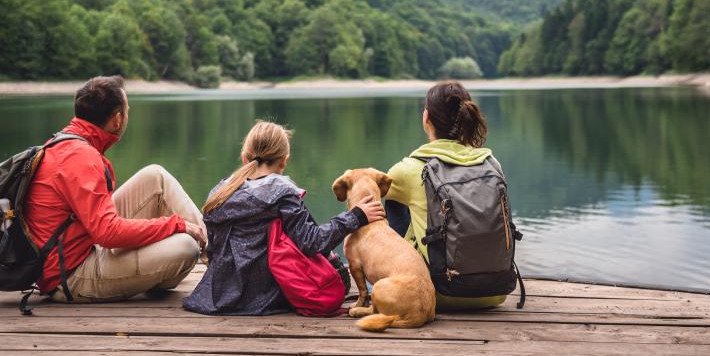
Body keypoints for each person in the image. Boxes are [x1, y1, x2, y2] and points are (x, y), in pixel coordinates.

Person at [25, 75, 207, 302]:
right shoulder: (82, 157)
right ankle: (217, 258)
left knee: (155, 176)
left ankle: (216, 252)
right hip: (70, 275)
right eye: (128, 110)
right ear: (117, 119)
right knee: (185, 247)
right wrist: (175, 225)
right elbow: (108, 233)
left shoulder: (66, 142)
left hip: (81, 244)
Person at [183, 121, 385, 315]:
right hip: (265, 296)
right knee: (337, 273)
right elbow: (312, 242)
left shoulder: (220, 191)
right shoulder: (282, 193)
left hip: (218, 294)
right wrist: (355, 216)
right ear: (284, 161)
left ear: (245, 158)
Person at [384, 81, 507, 310]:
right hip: (496, 291)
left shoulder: (409, 169)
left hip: (436, 293)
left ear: (426, 118)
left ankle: (392, 278)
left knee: (392, 198)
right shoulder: (492, 163)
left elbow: (370, 197)